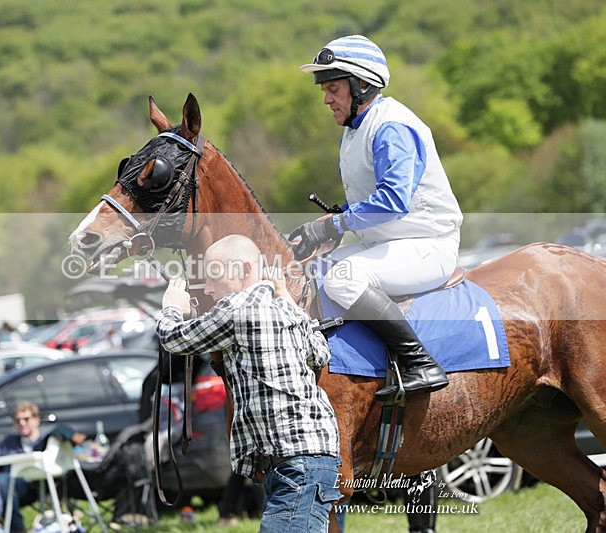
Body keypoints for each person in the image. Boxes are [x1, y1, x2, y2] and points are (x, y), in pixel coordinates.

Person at [292, 34, 464, 402]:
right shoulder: (358, 126)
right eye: (324, 90)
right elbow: (371, 195)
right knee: (311, 270)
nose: (326, 99)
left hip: (428, 245)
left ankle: (421, 363)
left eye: (333, 89)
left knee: (343, 280)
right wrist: (340, 216)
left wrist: (333, 225)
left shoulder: (391, 126)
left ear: (362, 85)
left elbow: (393, 201)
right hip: (392, 243)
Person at [156, 234, 341, 532]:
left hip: (295, 463)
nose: (208, 288)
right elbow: (319, 353)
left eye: (213, 276)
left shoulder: (236, 308)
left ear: (243, 270)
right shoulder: (286, 309)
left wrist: (172, 307)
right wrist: (287, 298)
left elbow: (173, 339)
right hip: (311, 460)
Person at [0, 401, 86, 533]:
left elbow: (61, 429)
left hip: (37, 486)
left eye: (26, 419)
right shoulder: (9, 442)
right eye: (18, 420)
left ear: (36, 420)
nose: (22, 423)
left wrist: (73, 436)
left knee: (2, 481)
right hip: (12, 490)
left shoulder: (43, 441)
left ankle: (16, 529)